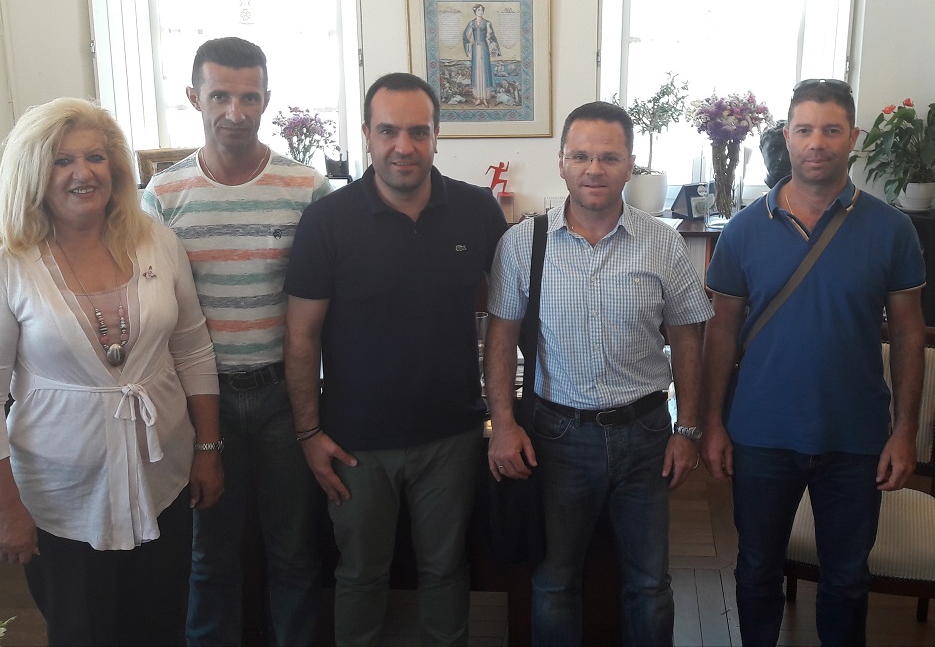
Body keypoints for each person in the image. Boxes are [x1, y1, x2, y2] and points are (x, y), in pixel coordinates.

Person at [0, 97, 223, 646]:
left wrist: (208, 449)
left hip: (162, 480)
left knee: (161, 628)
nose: (84, 173)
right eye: (62, 161)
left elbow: (194, 349)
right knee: (83, 632)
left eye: (96, 157)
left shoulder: (156, 240)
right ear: (33, 173)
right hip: (62, 499)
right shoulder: (3, 263)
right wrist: (3, 508)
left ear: (115, 167)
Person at [700, 79, 927, 647]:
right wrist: (713, 424)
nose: (817, 142)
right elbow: (721, 331)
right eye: (804, 129)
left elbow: (908, 334)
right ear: (787, 137)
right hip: (760, 435)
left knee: (847, 582)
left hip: (855, 437)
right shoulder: (743, 230)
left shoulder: (892, 229)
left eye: (831, 130)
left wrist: (904, 433)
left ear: (853, 137)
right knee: (756, 571)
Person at [284, 72, 508, 646]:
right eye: (388, 131)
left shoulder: (478, 210)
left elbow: (509, 316)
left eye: (417, 132)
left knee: (446, 569)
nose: (403, 147)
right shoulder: (326, 221)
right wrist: (308, 433)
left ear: (437, 135)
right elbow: (302, 338)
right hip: (356, 443)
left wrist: (505, 416)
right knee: (360, 574)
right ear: (366, 134)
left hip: (452, 435)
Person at [484, 100, 713, 647]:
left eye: (609, 157)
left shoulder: (662, 242)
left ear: (630, 164)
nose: (594, 169)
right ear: (562, 162)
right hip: (557, 437)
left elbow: (688, 340)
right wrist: (504, 424)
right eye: (581, 156)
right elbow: (501, 340)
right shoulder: (523, 244)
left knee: (649, 584)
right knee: (555, 581)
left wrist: (688, 430)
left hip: (646, 435)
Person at [142, 36, 329, 647]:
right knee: (210, 554)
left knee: (295, 550)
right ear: (193, 97)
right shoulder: (162, 197)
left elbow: (330, 297)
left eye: (250, 97)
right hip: (203, 402)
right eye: (220, 95)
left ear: (267, 100)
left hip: (284, 397)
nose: (235, 112)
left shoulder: (307, 188)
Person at [462, 4, 500, 107]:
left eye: (482, 10)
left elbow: (492, 36)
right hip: (475, 49)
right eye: (478, 10)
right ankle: (478, 98)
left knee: (484, 70)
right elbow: (465, 36)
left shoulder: (487, 23)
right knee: (477, 71)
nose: (480, 12)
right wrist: (470, 44)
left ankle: (485, 98)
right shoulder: (472, 23)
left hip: (484, 48)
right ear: (475, 12)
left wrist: (493, 49)